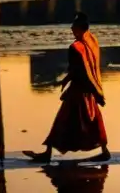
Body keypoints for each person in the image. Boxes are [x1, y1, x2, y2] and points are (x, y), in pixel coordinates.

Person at [24, 13, 109, 163]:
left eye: (74, 26)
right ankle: (104, 150)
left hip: (78, 91)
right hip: (88, 90)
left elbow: (79, 70)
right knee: (92, 120)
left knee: (62, 121)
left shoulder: (76, 47)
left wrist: (70, 81)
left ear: (80, 29)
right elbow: (84, 69)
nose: (71, 28)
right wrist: (93, 90)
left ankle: (47, 153)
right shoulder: (92, 42)